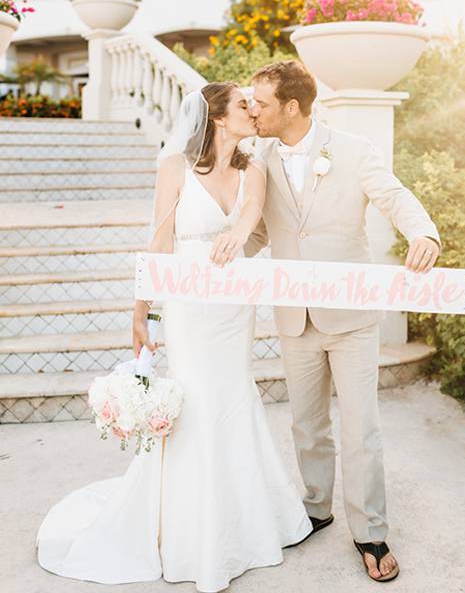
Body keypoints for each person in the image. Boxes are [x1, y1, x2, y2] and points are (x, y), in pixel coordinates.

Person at [35, 82, 313, 591]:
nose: (252, 112)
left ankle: (245, 521)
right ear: (217, 118)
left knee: (232, 396)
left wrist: (236, 233)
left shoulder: (255, 168)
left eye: (253, 106)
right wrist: (141, 310)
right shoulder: (175, 167)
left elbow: (251, 213)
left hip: (234, 302)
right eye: (242, 106)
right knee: (197, 400)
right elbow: (159, 239)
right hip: (188, 303)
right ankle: (191, 530)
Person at [243, 60, 442, 583]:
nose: (253, 111)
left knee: (361, 427)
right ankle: (316, 507)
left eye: (260, 102)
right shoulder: (257, 157)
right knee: (307, 424)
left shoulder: (353, 150)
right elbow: (259, 230)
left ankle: (370, 529)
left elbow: (393, 197)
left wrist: (424, 234)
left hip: (350, 315)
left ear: (291, 106)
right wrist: (216, 257)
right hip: (293, 312)